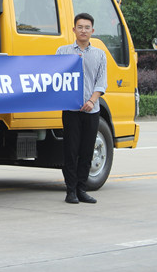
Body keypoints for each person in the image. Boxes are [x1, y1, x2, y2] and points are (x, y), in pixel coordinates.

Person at [56, 12, 107, 205]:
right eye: (80, 27)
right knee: (71, 151)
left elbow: (101, 82)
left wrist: (93, 101)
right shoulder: (63, 52)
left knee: (86, 151)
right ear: (74, 30)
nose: (83, 30)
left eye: (87, 27)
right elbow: (55, 76)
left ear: (92, 31)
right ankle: (70, 191)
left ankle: (82, 189)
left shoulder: (99, 54)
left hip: (91, 110)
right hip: (71, 110)